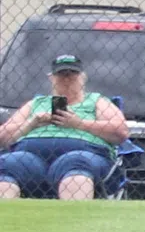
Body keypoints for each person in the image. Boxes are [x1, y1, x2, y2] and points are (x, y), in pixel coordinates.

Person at [0, 54, 129, 201]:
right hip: (28, 156)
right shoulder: (36, 103)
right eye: (61, 75)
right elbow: (2, 136)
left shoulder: (96, 101)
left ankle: (73, 220)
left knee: (76, 166)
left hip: (81, 154)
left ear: (83, 77)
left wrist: (78, 123)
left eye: (72, 74)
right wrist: (32, 123)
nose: (67, 80)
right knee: (8, 165)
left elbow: (120, 132)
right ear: (51, 78)